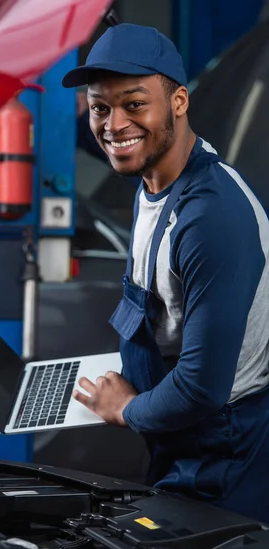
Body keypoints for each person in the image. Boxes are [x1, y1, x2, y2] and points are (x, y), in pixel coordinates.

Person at [62, 23, 269, 522]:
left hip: (223, 447)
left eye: (135, 104)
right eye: (100, 107)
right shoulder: (155, 177)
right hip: (181, 430)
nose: (114, 125)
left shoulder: (209, 219)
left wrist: (125, 408)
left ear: (179, 102)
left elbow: (201, 388)